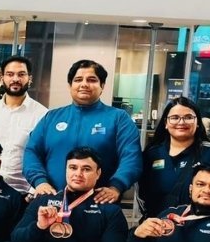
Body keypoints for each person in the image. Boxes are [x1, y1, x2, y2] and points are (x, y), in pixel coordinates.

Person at [23, 59, 141, 206]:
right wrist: (40, 182)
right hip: (53, 202)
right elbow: (31, 152)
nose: (84, 84)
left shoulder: (118, 118)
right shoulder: (51, 118)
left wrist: (116, 186)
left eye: (92, 80)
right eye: (78, 80)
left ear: (102, 85)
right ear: (70, 85)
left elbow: (131, 157)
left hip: (99, 205)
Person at [137, 96, 210, 219]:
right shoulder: (151, 154)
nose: (181, 122)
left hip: (202, 226)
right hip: (158, 225)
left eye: (188, 117)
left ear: (197, 122)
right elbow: (142, 195)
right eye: (175, 118)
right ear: (166, 123)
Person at [0, 55, 47, 194]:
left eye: (21, 74)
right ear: (1, 78)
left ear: (30, 78)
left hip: (25, 193)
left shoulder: (42, 115)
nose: (15, 79)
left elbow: (45, 155)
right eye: (10, 74)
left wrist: (33, 191)